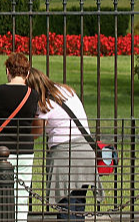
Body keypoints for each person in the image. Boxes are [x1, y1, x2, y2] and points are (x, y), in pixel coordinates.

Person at [27, 68, 101, 221]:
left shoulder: (44, 103)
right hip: (86, 153)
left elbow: (36, 133)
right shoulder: (65, 90)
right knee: (78, 204)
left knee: (66, 206)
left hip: (66, 157)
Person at [0, 53, 41, 222]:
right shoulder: (33, 95)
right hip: (25, 149)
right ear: (27, 73)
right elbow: (35, 121)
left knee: (0, 193)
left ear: (8, 70)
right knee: (22, 195)